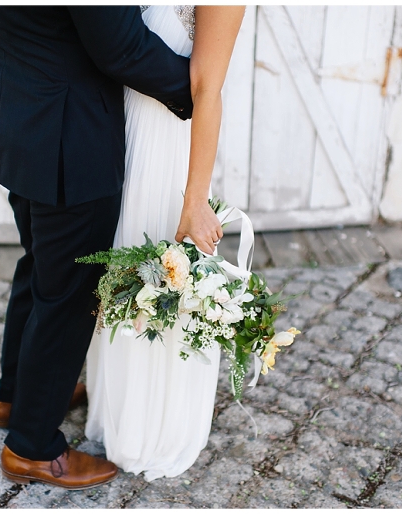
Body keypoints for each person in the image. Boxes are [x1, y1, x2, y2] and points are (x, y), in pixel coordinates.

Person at [0, 6, 196, 490]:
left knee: (40, 265)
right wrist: (200, 89)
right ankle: (32, 447)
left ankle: (14, 398)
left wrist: (31, 58)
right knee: (70, 296)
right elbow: (120, 48)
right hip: (71, 137)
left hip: (15, 116)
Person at [85, 5, 245, 481]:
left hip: (168, 152)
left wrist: (194, 198)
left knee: (160, 281)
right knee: (117, 277)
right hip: (122, 135)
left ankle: (153, 429)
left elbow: (207, 89)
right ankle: (115, 408)